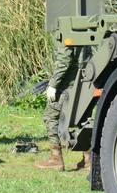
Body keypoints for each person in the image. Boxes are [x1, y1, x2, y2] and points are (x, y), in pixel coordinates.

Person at [36, 43, 90, 171]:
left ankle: (55, 159)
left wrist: (53, 84)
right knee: (84, 118)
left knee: (51, 117)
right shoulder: (86, 28)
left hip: (67, 85)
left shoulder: (66, 29)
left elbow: (64, 60)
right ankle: (89, 159)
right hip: (84, 82)